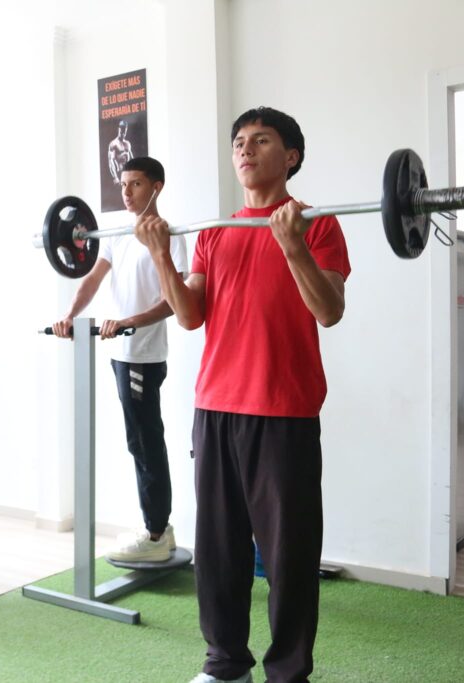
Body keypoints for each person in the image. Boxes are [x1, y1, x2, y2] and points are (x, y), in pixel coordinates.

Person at [135, 107, 351, 683]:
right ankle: (225, 664)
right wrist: (160, 254)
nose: (246, 150)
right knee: (218, 550)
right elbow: (189, 316)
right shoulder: (216, 231)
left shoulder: (317, 225)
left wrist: (292, 245)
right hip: (215, 409)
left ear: (291, 157)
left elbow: (329, 310)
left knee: (289, 557)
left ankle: (288, 673)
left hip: (284, 411)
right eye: (239, 142)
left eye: (261, 140)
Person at [53, 156, 188, 563]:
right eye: (123, 184)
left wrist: (129, 322)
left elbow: (174, 300)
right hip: (121, 354)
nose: (126, 192)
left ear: (156, 187)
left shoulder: (169, 236)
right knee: (138, 440)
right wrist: (70, 315)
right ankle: (158, 527)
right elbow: (92, 278)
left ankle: (156, 532)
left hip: (144, 355)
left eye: (136, 184)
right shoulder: (115, 232)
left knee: (145, 441)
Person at [108, 120, 134, 185]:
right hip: (119, 174)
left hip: (129, 174)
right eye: (122, 129)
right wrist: (115, 177)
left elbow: (133, 160)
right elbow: (111, 162)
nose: (123, 131)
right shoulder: (113, 144)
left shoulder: (128, 144)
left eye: (125, 129)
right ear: (118, 129)